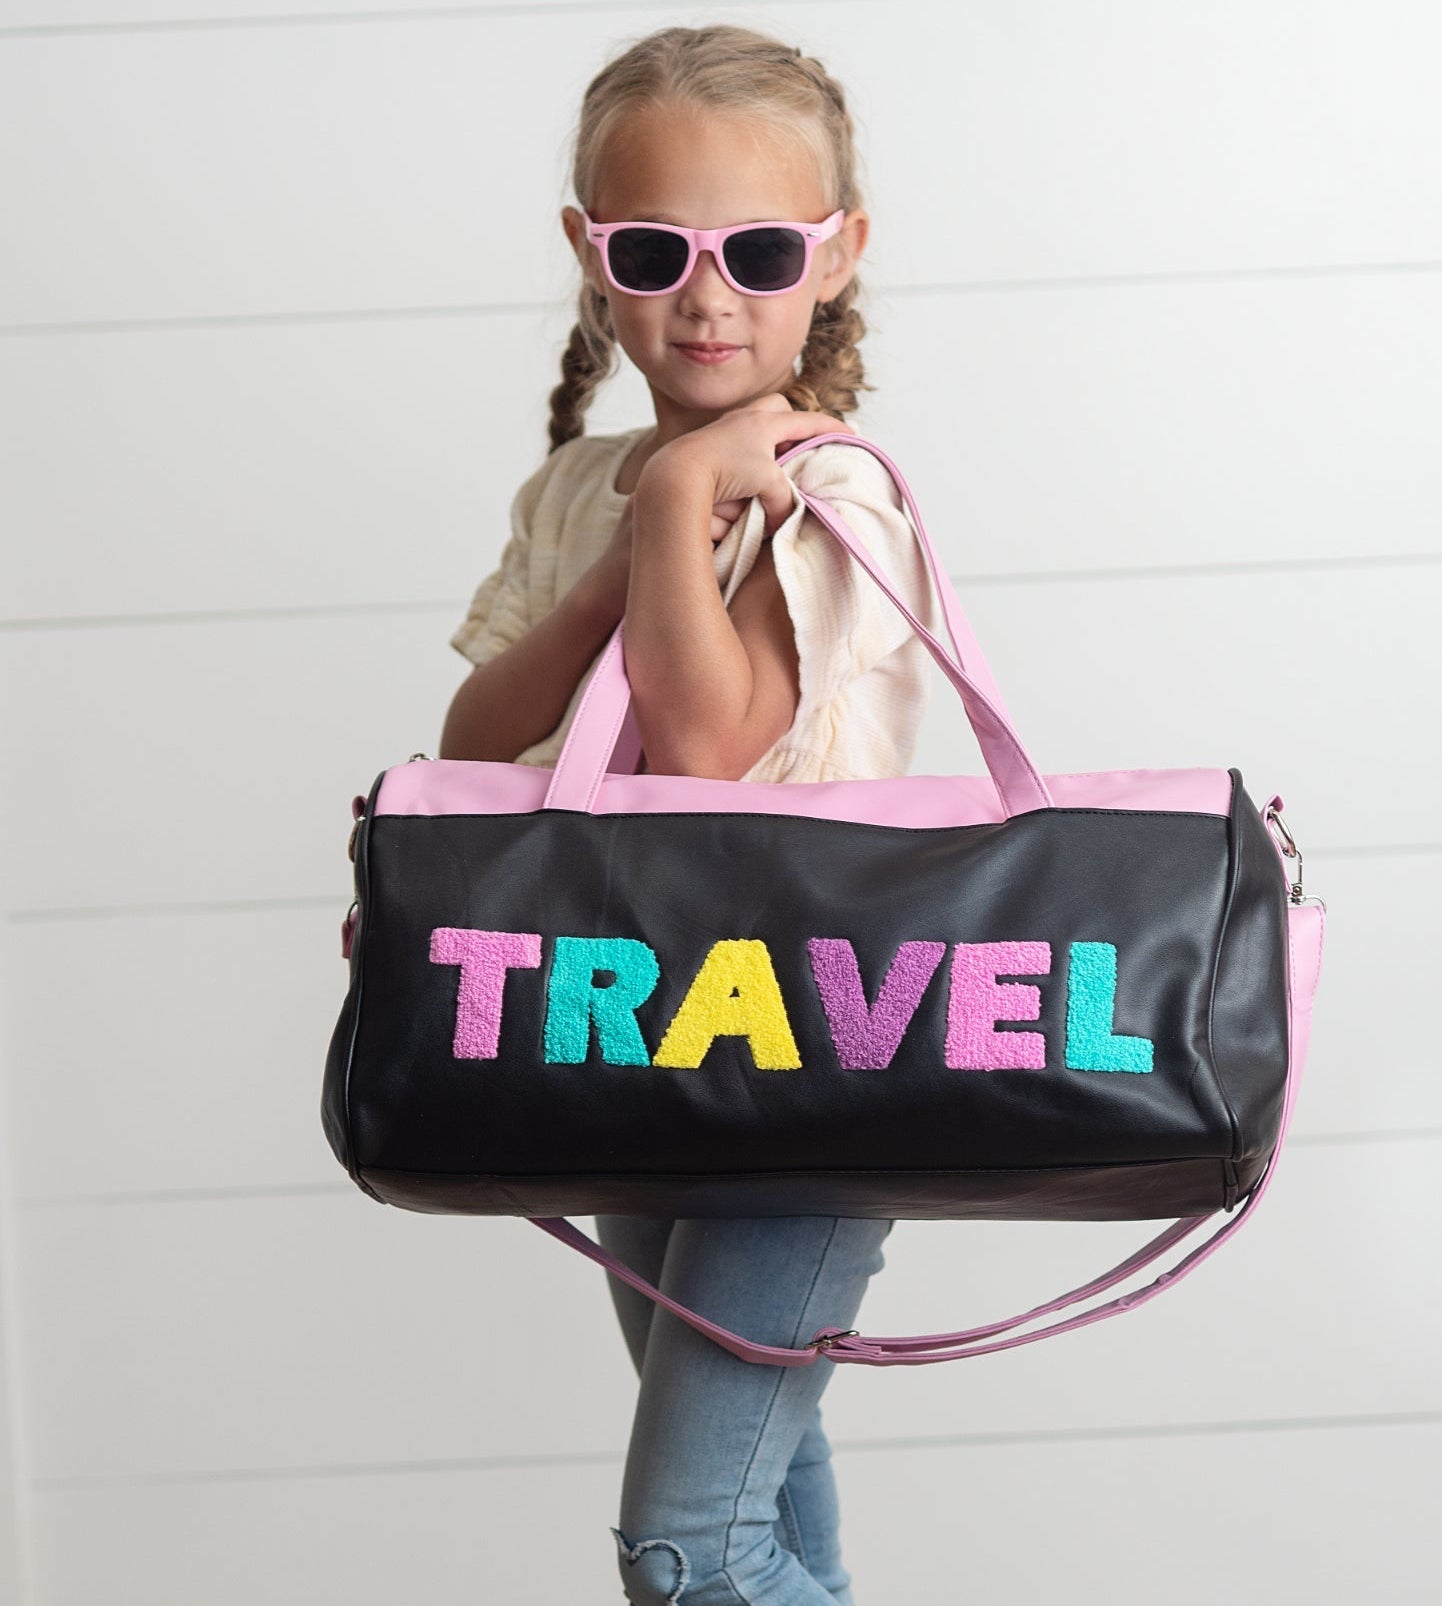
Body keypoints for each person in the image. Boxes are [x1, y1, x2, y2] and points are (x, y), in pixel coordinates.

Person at [438, 24, 945, 1606]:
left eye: (758, 249)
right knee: (765, 1502)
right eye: (656, 249)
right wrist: (634, 515)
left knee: (690, 1546)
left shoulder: (835, 489)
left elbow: (711, 743)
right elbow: (475, 734)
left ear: (838, 253)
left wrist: (681, 501)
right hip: (631, 1024)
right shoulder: (576, 490)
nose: (707, 294)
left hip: (805, 1056)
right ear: (594, 255)